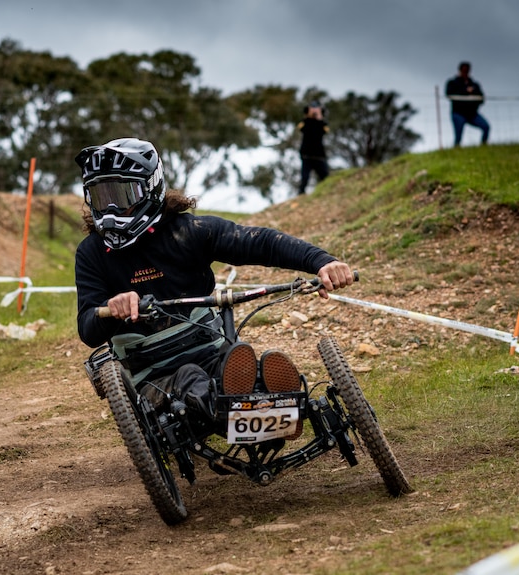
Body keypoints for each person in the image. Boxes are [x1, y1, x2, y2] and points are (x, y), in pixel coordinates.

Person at [74, 137, 354, 423]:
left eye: (121, 196)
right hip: (152, 378)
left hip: (213, 353)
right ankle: (249, 409)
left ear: (150, 189)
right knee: (190, 378)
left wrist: (323, 262)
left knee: (234, 365)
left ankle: (264, 392)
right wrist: (110, 307)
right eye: (99, 197)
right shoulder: (91, 253)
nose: (109, 210)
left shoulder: (189, 231)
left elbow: (262, 243)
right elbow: (88, 328)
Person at [445, 61, 490, 147]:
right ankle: (456, 149)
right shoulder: (453, 83)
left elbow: (481, 98)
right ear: (459, 70)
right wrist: (465, 91)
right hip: (458, 114)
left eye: (467, 70)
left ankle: (483, 146)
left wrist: (474, 99)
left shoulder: (474, 84)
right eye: (464, 70)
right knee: (458, 136)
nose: (465, 72)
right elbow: (449, 94)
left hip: (472, 114)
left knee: (486, 127)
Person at [296, 101, 330, 195]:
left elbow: (326, 130)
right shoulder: (305, 122)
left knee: (325, 177)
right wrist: (308, 116)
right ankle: (301, 194)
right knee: (305, 178)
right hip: (306, 155)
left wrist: (319, 118)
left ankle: (328, 193)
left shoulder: (322, 123)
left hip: (319, 155)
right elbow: (300, 128)